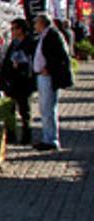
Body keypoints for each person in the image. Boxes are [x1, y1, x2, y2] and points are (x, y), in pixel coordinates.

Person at [33, 13, 74, 151]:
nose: (34, 26)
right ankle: (47, 137)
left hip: (48, 77)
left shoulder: (53, 35)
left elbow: (61, 56)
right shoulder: (45, 35)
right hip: (43, 76)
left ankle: (51, 140)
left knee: (48, 108)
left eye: (36, 23)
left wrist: (48, 68)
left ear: (42, 23)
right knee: (44, 109)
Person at [0, 18, 36, 145]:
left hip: (23, 81)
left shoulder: (29, 43)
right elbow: (7, 61)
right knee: (9, 109)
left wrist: (20, 66)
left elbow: (31, 62)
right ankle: (11, 135)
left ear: (21, 29)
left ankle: (26, 136)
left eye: (14, 28)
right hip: (11, 81)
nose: (12, 31)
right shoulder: (13, 43)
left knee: (25, 110)